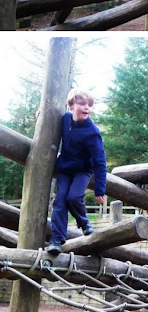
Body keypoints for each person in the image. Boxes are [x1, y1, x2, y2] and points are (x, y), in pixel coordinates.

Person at [47, 89, 107, 256]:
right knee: (60, 201)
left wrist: (100, 188)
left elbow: (100, 161)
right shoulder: (66, 119)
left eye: (90, 105)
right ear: (71, 106)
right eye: (82, 104)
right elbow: (49, 120)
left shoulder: (92, 132)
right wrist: (41, 117)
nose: (87, 108)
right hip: (65, 169)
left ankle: (83, 221)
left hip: (83, 170)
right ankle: (56, 239)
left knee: (73, 197)